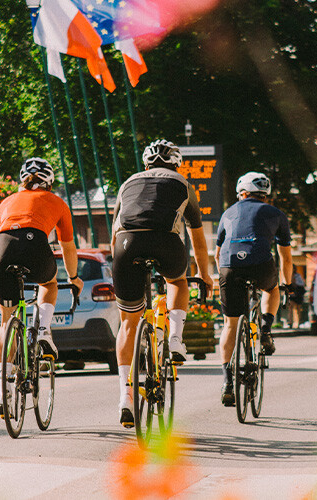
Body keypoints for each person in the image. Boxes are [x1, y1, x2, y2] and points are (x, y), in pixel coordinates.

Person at [110, 139, 213, 428]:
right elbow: (198, 238)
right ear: (176, 164)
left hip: (126, 244)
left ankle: (126, 397)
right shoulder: (183, 184)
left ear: (146, 165)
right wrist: (204, 274)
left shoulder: (128, 183)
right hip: (166, 241)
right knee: (177, 282)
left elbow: (115, 229)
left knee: (128, 323)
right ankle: (176, 339)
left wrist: (118, 263)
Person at [0, 158, 83, 417]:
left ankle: (3, 390)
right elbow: (67, 247)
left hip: (4, 249)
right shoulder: (57, 202)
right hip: (36, 245)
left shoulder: (6, 202)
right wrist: (74, 277)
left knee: (5, 321)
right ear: (50, 181)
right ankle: (43, 330)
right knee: (49, 283)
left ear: (23, 181)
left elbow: (1, 234)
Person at [215, 172, 292, 407]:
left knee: (230, 324)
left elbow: (218, 254)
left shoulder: (228, 213)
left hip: (230, 267)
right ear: (265, 195)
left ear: (243, 193)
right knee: (272, 289)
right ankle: (266, 329)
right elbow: (285, 258)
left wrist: (225, 276)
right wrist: (287, 285)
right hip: (260, 265)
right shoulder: (276, 214)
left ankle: (228, 382)